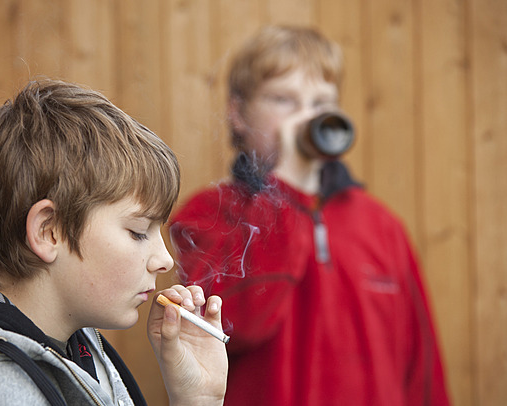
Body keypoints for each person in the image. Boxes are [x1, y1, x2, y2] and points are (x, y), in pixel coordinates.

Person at [0, 79, 227, 406]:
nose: (164, 259)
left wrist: (197, 399)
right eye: (138, 231)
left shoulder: (81, 348)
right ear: (49, 232)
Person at [169, 25, 450, 405]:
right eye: (283, 100)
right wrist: (286, 188)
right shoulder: (208, 215)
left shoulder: (382, 226)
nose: (305, 117)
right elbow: (236, 326)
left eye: (320, 103)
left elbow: (422, 370)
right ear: (237, 112)